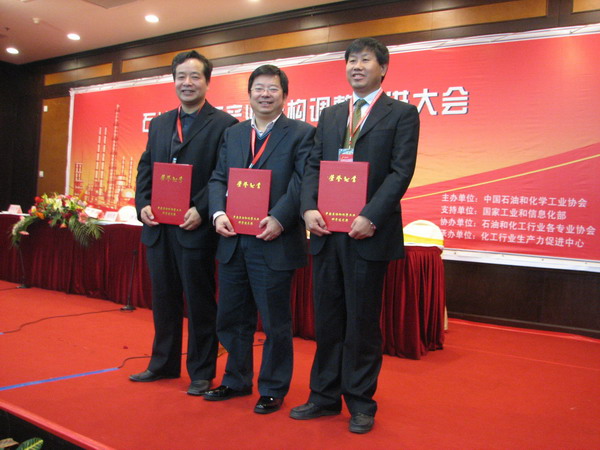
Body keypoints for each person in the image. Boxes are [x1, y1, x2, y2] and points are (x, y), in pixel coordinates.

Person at [290, 37, 420, 433]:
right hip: (327, 232)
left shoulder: (402, 114)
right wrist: (308, 208)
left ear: (383, 68)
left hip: (368, 234)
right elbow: (313, 165)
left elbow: (400, 172)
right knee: (327, 319)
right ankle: (323, 396)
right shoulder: (331, 115)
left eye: (365, 60)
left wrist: (371, 216)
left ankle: (361, 403)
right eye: (351, 60)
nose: (356, 66)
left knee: (362, 322)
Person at [204, 65, 314, 414]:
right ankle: (235, 379)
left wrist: (280, 218)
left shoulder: (302, 133)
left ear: (285, 95)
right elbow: (218, 178)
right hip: (234, 239)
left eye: (273, 89)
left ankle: (273, 387)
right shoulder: (234, 133)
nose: (265, 94)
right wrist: (217, 213)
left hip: (274, 239)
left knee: (275, 321)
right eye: (259, 88)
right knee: (231, 317)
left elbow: (301, 181)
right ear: (249, 93)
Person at [131, 50, 238, 396]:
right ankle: (162, 363)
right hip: (158, 228)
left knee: (199, 301)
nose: (187, 83)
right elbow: (146, 167)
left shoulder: (225, 125)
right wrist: (143, 204)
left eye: (194, 76)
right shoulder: (160, 123)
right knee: (163, 299)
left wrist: (202, 209)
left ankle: (202, 371)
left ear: (207, 81)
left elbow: (223, 174)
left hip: (195, 228)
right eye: (181, 76)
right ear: (173, 80)